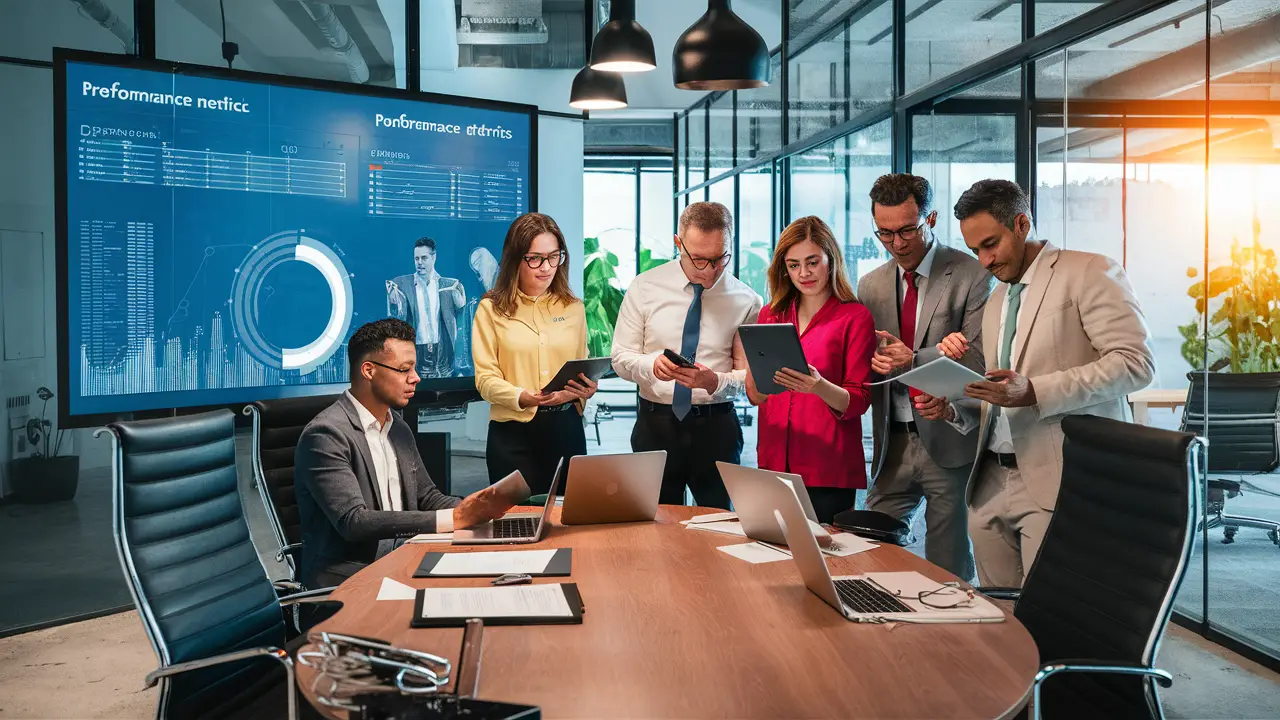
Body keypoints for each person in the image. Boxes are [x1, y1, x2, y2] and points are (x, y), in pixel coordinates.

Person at [915, 179, 1155, 587]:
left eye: (991, 244)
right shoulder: (996, 301)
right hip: (989, 482)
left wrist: (1034, 390)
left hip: (1057, 480)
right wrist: (954, 409)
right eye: (975, 251)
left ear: (1022, 224)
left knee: (1054, 618)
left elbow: (1135, 364)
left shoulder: (1089, 271)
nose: (985, 261)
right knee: (999, 621)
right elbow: (1001, 397)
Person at [294, 318, 515, 589]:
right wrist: (455, 518)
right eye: (403, 369)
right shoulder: (326, 435)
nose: (416, 377)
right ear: (369, 370)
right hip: (348, 580)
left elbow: (426, 497)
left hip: (403, 560)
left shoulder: (397, 426)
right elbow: (354, 522)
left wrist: (475, 507)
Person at [856, 173, 991, 582]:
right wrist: (873, 362)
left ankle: (954, 644)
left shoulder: (971, 274)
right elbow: (869, 359)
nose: (897, 243)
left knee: (946, 565)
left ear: (930, 219)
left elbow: (981, 357)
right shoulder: (871, 285)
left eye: (907, 230)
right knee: (869, 551)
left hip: (948, 438)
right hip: (890, 441)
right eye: (885, 233)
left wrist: (912, 359)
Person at [612, 201, 762, 509]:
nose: (710, 270)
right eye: (699, 260)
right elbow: (621, 358)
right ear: (678, 243)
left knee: (719, 526)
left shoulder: (746, 300)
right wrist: (650, 364)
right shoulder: (644, 287)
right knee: (653, 524)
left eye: (720, 259)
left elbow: (748, 376)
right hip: (656, 424)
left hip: (716, 427)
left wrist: (713, 381)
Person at [744, 216, 876, 523]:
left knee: (832, 564)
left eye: (812, 262)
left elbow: (859, 401)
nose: (803, 273)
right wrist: (756, 367)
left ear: (831, 259)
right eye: (793, 265)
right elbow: (755, 396)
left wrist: (818, 386)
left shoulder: (855, 317)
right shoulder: (770, 314)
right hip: (775, 463)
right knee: (775, 560)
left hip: (828, 468)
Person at [472, 213, 597, 495]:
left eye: (555, 257)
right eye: (535, 258)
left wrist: (582, 390)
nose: (546, 267)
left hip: (567, 429)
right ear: (516, 257)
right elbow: (485, 379)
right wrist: (522, 396)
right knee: (519, 526)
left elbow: (581, 368)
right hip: (513, 435)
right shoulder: (490, 309)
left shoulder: (573, 307)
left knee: (571, 525)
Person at [387, 237, 466, 378]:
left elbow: (461, 312)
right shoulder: (404, 284)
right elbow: (394, 299)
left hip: (442, 352)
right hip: (417, 351)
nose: (419, 263)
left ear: (434, 257)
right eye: (416, 258)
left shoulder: (447, 285)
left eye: (424, 258)